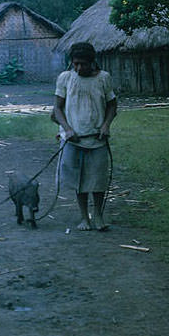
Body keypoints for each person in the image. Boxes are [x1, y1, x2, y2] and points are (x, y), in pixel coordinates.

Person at [52, 42, 117, 231]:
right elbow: (57, 108)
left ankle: (97, 215)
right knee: (79, 180)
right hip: (73, 139)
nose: (79, 68)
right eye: (76, 64)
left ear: (92, 62)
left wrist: (106, 125)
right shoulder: (65, 78)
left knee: (97, 179)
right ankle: (84, 218)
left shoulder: (103, 78)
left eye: (83, 64)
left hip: (96, 138)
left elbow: (112, 105)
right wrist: (67, 129)